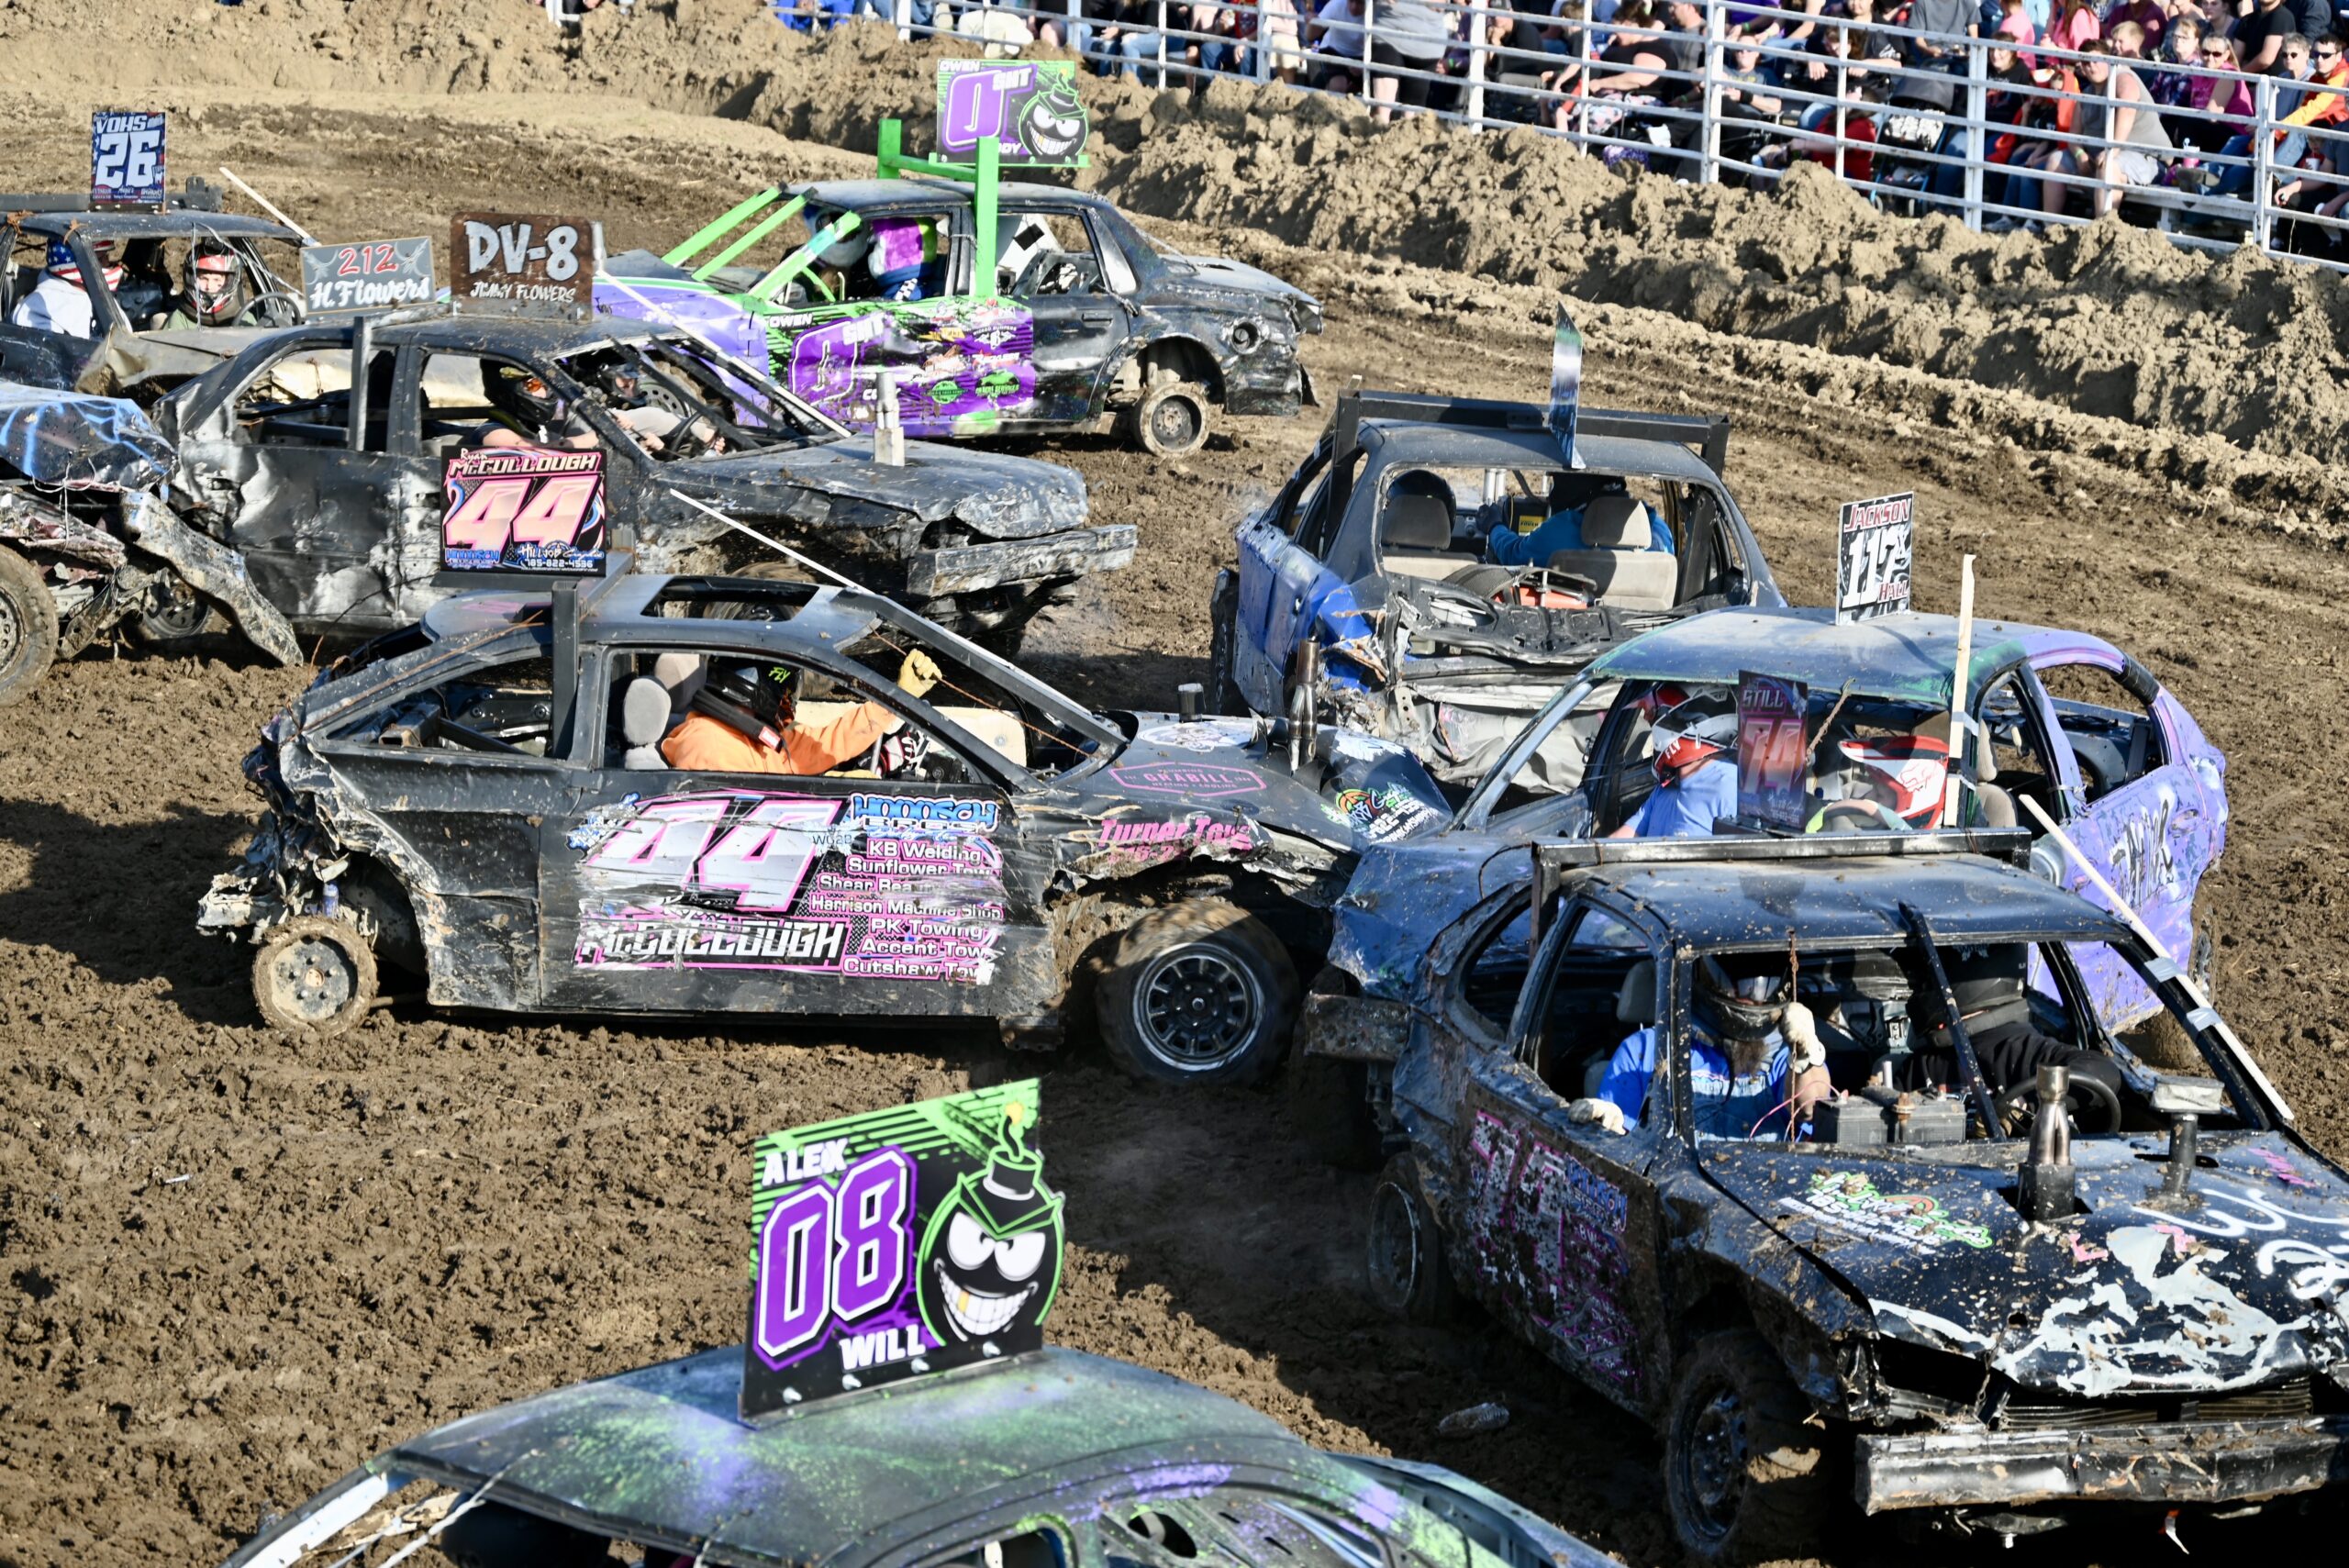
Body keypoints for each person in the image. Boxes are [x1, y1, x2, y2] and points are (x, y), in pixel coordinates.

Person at [1572, 958, 1833, 1138]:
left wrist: (1806, 1053)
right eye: (1741, 986)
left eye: (1762, 987)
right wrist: (1612, 1128)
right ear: (1706, 977)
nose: (1752, 996)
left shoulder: (1785, 1054)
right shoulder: (1646, 1050)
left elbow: (1810, 1108)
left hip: (1767, 1192)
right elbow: (1620, 1155)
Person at [1890, 944, 2125, 1122]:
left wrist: (2027, 1101)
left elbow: (2103, 1072)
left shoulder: (2025, 1049)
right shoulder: (1920, 1066)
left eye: (1925, 984)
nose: (1919, 994)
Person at [661, 651, 944, 774]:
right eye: (785, 690)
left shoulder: (756, 738)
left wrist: (899, 696)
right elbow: (747, 813)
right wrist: (829, 790)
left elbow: (828, 743)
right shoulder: (707, 742)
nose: (788, 700)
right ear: (762, 686)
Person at [2040, 37, 2171, 216]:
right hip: (2097, 158)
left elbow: (2127, 107)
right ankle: (2050, 225)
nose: (2092, 67)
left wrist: (2112, 150)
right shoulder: (2085, 95)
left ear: (2108, 60)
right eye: (2086, 63)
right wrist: (2079, 155)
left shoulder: (2122, 76)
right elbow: (2073, 136)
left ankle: (2102, 228)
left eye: (2097, 61)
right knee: (2055, 160)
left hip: (2145, 158)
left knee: (2108, 167)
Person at [1608, 693, 1738, 840]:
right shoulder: (1664, 790)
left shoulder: (1731, 787)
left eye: (1654, 715)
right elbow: (1619, 840)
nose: (1646, 718)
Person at [1486, 484, 1677, 565]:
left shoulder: (1562, 531)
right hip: (1646, 634)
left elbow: (1514, 554)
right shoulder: (1659, 532)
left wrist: (1494, 526)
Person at [8, 239, 120, 338]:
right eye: (99, 259)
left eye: (107, 256)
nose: (107, 263)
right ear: (73, 263)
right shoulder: (38, 311)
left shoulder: (97, 297)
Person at [158, 242, 256, 328]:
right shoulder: (180, 318)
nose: (209, 286)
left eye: (217, 280)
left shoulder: (245, 319)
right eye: (203, 279)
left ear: (229, 282)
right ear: (192, 279)